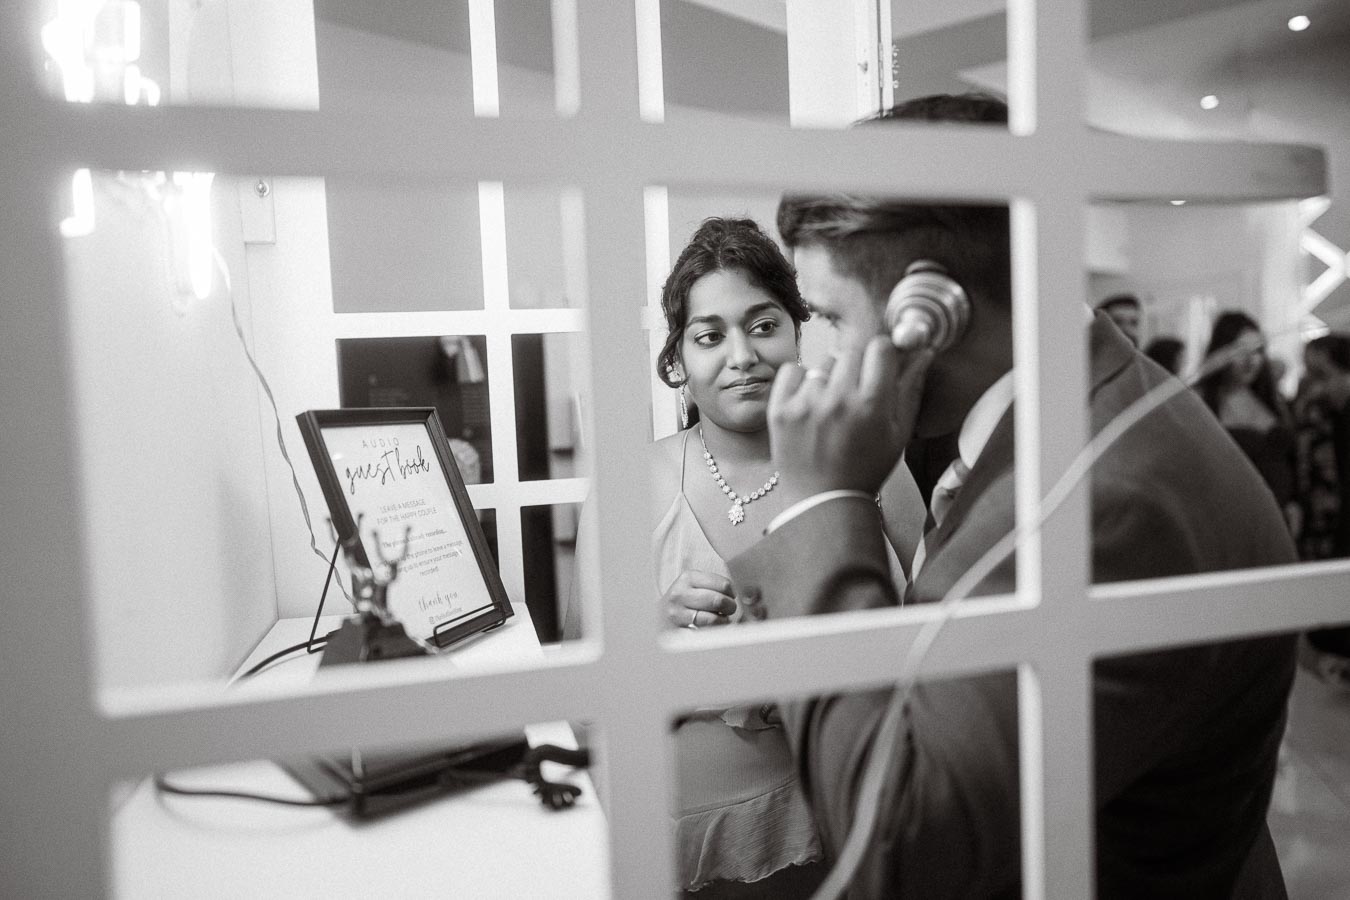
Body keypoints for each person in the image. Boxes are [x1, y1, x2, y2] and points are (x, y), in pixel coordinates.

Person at [725, 93, 1298, 898]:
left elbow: (902, 852)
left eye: (832, 316)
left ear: (930, 309)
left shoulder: (1105, 501)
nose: (827, 355)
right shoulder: (1080, 408)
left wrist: (823, 504)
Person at [565, 217, 923, 897]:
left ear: (797, 330)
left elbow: (939, 630)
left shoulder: (873, 461)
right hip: (677, 840)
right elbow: (587, 709)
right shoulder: (624, 489)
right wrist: (656, 634)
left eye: (764, 325)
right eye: (709, 335)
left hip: (845, 821)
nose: (742, 354)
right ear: (677, 359)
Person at [1197, 311, 1297, 527]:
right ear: (1221, 353)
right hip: (1232, 522)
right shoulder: (1201, 403)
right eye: (1241, 351)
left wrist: (1295, 503)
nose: (1251, 360)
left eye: (1258, 351)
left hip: (1280, 522)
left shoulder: (1272, 398)